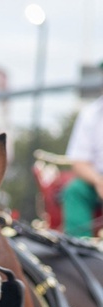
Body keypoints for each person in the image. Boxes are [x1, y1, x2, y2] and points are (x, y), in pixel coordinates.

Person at [62, 91, 103, 238]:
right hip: (96, 179)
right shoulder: (90, 114)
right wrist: (98, 181)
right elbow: (79, 162)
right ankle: (80, 247)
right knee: (75, 191)